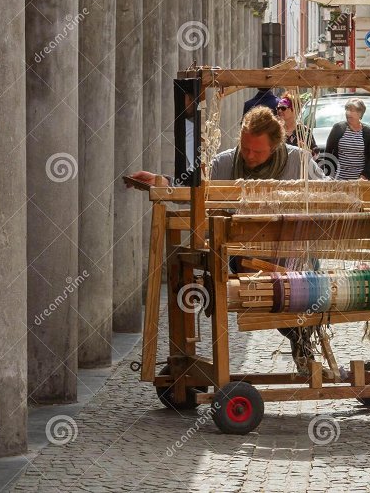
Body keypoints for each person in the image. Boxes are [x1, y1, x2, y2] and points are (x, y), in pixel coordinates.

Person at [127, 107, 327, 374]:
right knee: (273, 294)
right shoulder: (224, 163)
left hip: (294, 254)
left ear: (276, 144)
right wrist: (160, 181)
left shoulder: (299, 162)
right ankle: (300, 341)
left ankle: (301, 341)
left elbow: (330, 192)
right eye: (246, 148)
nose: (250, 156)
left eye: (258, 151)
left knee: (296, 293)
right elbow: (196, 190)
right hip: (244, 255)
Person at [324, 98, 370, 180]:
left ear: (360, 113)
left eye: (352, 110)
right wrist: (329, 175)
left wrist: (364, 176)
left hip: (360, 182)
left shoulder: (367, 131)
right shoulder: (338, 128)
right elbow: (328, 152)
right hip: (339, 180)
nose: (348, 113)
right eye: (347, 110)